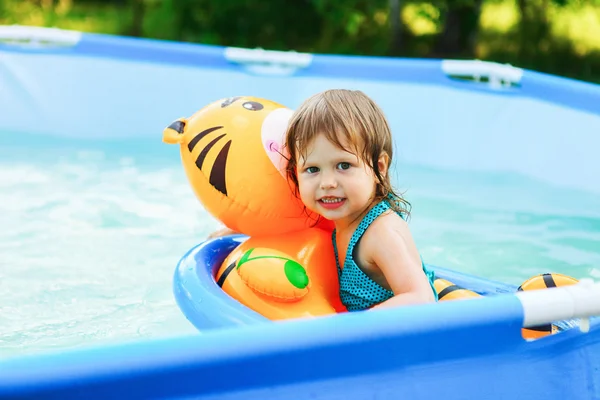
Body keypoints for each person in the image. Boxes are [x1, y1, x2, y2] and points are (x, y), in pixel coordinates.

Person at [284, 89, 438, 311]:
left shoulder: (380, 233)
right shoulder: (341, 215)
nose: (327, 182)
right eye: (312, 169)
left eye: (344, 165)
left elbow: (421, 298)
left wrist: (351, 327)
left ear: (379, 168)